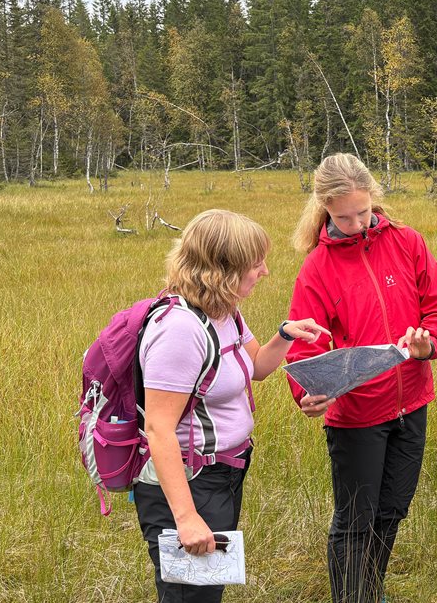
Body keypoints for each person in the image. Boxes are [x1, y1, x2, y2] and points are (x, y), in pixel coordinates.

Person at [285, 153, 437, 603]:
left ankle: (369, 590)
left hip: (411, 403)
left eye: (363, 212)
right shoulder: (317, 267)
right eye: (344, 217)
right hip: (356, 416)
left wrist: (430, 343)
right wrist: (308, 392)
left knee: (392, 511)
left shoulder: (407, 241)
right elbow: (306, 344)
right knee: (355, 521)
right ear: (325, 209)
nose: (357, 223)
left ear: (374, 199)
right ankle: (354, 597)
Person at [135, 209, 328, 603]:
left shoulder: (225, 313)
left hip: (224, 473)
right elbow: (158, 428)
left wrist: (285, 335)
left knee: (207, 587)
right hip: (191, 480)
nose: (265, 271)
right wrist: (187, 518)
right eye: (255, 264)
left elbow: (256, 367)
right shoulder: (180, 330)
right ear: (222, 269)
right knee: (191, 594)